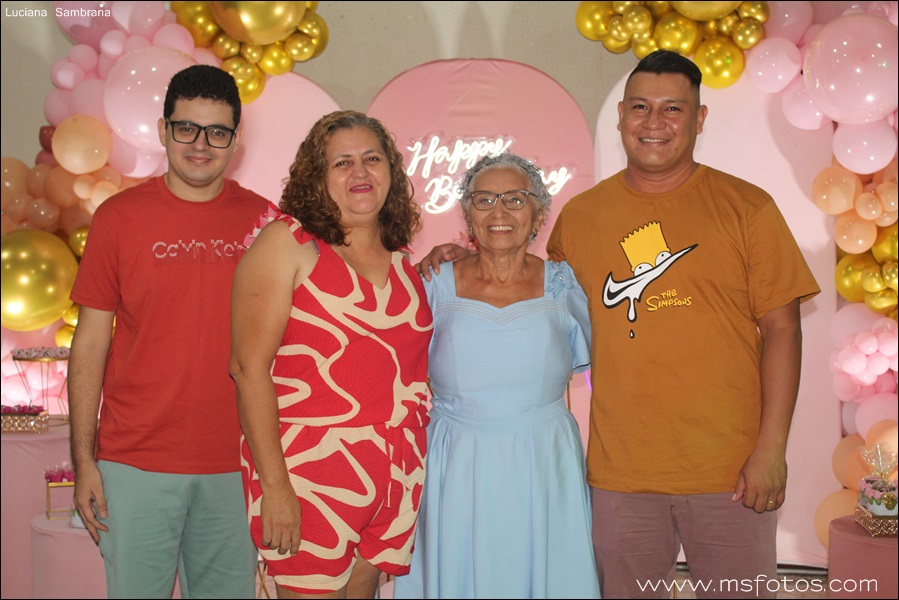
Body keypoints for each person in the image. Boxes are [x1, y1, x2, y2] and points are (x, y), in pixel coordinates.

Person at [418, 50, 820, 599]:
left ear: (699, 119)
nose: (654, 122)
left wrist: (771, 450)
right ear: (621, 117)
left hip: (728, 473)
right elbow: (527, 291)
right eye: (640, 107)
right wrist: (456, 258)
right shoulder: (581, 218)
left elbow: (782, 330)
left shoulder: (747, 207)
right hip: (619, 480)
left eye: (672, 108)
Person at [68, 64, 269, 598]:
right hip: (135, 462)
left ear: (235, 140)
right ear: (163, 130)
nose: (200, 144)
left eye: (217, 131)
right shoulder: (118, 217)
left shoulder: (266, 223)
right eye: (186, 128)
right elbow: (89, 344)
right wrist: (84, 461)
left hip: (236, 462)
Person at [229, 110, 433, 599]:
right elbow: (247, 368)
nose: (360, 172)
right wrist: (275, 487)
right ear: (317, 177)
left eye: (372, 159)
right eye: (342, 163)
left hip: (396, 474)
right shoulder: (288, 243)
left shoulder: (402, 257)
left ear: (391, 170)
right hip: (311, 474)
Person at [392, 153, 600, 599]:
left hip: (543, 460)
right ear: (467, 214)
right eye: (484, 199)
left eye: (515, 199)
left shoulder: (563, 284)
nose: (499, 211)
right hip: (455, 461)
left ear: (539, 214)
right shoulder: (432, 283)